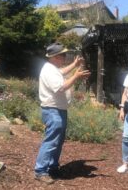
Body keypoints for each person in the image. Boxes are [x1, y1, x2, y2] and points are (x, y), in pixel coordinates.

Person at [34, 42, 90, 184]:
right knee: (51, 141)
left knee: (57, 141)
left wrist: (75, 64)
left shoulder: (53, 68)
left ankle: (53, 167)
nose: (65, 57)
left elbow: (62, 72)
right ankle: (40, 171)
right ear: (54, 57)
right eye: (63, 55)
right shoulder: (48, 70)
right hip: (53, 111)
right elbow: (61, 87)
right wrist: (76, 76)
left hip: (59, 110)